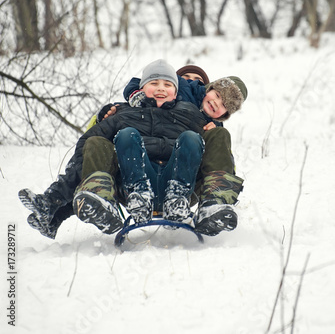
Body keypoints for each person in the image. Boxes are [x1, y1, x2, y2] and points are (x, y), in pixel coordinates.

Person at [19, 62, 247, 237]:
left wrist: (213, 132)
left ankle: (214, 203)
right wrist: (107, 113)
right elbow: (93, 142)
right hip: (132, 181)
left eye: (168, 85)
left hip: (183, 185)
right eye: (183, 79)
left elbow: (222, 159)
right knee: (109, 142)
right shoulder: (129, 110)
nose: (162, 89)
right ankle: (91, 201)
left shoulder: (205, 125)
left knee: (194, 139)